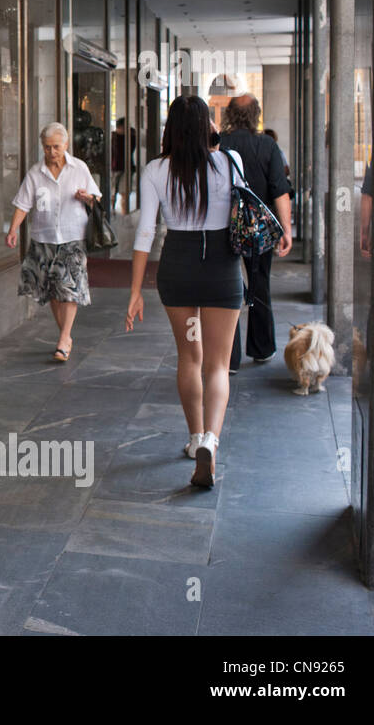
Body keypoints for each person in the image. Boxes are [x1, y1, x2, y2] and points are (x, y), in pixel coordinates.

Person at [126, 95, 290, 489]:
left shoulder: (154, 170)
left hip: (178, 270)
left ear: (169, 128)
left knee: (189, 357)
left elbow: (145, 232)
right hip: (221, 270)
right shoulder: (226, 162)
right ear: (208, 128)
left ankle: (195, 437)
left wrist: (134, 292)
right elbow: (243, 203)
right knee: (218, 365)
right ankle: (212, 444)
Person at [6, 122, 101, 362]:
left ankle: (63, 339)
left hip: (72, 237)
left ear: (66, 145)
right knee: (53, 292)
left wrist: (87, 197)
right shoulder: (35, 173)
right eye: (47, 147)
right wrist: (13, 229)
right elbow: (23, 204)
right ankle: (65, 336)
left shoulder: (79, 168)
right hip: (44, 238)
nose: (51, 152)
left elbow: (96, 199)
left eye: (56, 147)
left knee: (68, 290)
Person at [217, 92, 293, 371]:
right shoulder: (267, 146)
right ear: (256, 115)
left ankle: (230, 356)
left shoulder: (218, 145)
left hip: (223, 226)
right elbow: (280, 191)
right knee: (260, 283)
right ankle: (262, 348)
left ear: (229, 115)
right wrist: (286, 229)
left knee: (228, 289)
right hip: (259, 228)